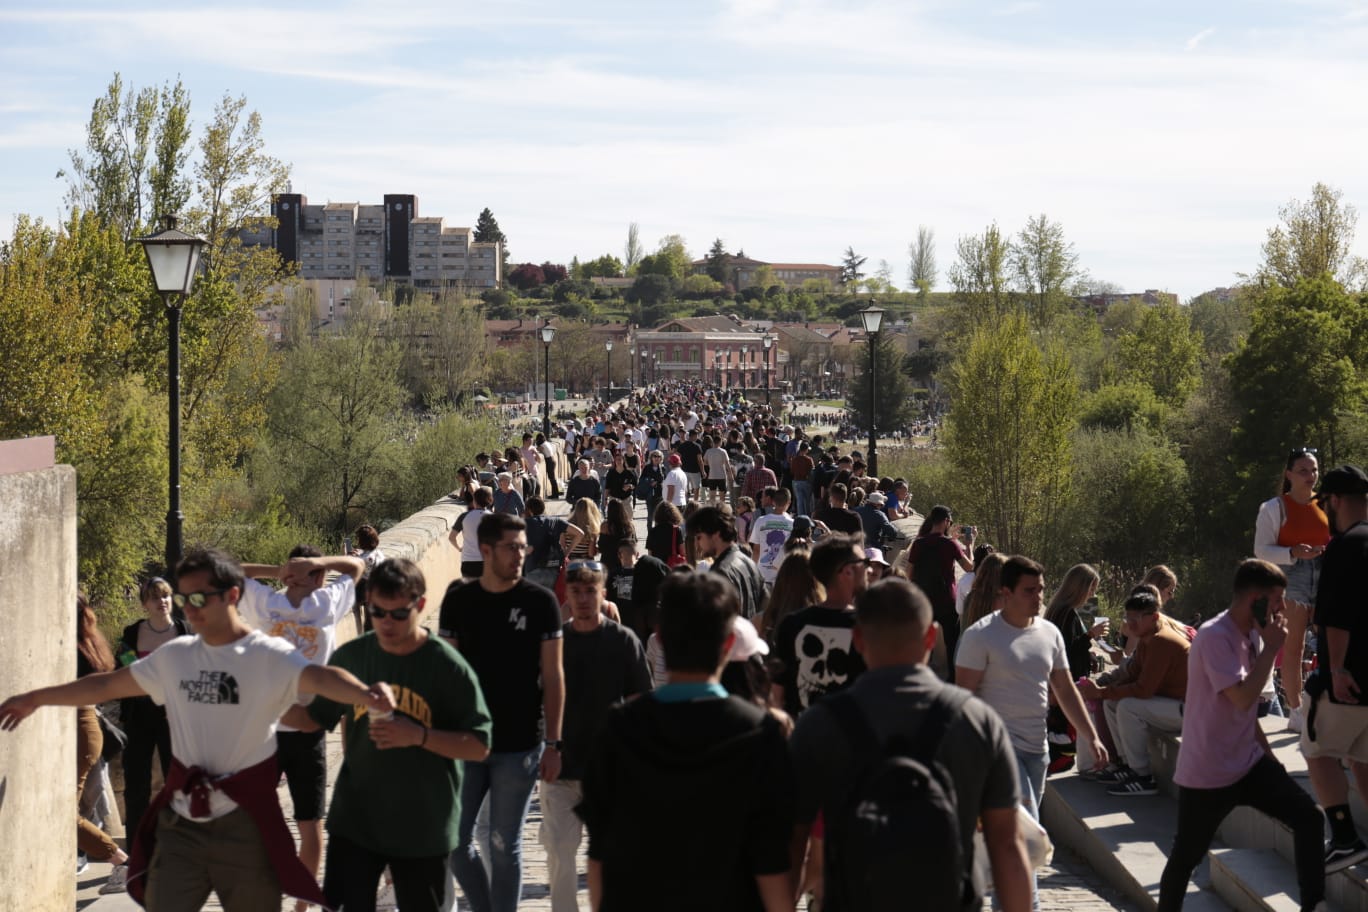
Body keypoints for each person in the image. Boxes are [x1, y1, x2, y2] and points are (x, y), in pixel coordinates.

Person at [0, 549, 396, 912]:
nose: (191, 610)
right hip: (182, 821)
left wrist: (367, 693)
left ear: (232, 596)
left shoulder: (264, 655)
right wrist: (35, 697)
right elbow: (105, 685)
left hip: (246, 825)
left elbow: (322, 677)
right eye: (185, 599)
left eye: (200, 598)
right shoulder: (175, 657)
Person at [790, 578, 1031, 912]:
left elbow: (790, 843)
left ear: (858, 640)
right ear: (931, 636)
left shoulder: (818, 724)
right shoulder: (978, 721)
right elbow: (1006, 844)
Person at [576, 572, 795, 911]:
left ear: (659, 639)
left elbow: (599, 856)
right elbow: (771, 862)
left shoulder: (619, 728)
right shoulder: (760, 734)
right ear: (727, 644)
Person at [285, 558, 493, 912]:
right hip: (356, 819)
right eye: (378, 612)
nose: (386, 623)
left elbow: (478, 745)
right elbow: (312, 719)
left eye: (399, 614)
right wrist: (259, 697)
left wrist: (418, 735)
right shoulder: (352, 657)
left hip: (424, 823)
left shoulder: (446, 666)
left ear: (421, 605)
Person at [1157, 559, 1326, 911]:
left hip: (1247, 764)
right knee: (1186, 857)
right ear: (1256, 598)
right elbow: (1243, 697)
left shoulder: (1251, 633)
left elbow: (1246, 716)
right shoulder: (1215, 636)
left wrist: (1271, 762)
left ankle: (1315, 905)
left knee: (1309, 817)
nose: (1282, 608)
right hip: (1207, 773)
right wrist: (1272, 648)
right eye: (1277, 599)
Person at [955, 555, 1107, 910]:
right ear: (1005, 592)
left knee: (1013, 840)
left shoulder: (1049, 633)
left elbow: (1065, 690)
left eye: (1040, 589)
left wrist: (1091, 735)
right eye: (1029, 591)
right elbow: (962, 700)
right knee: (1028, 838)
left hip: (1036, 751)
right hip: (997, 753)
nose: (1038, 597)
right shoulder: (981, 637)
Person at [438, 513, 565, 912]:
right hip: (468, 741)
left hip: (520, 743)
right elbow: (448, 675)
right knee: (455, 841)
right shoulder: (459, 600)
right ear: (487, 550)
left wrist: (554, 743)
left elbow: (553, 676)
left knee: (503, 843)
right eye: (512, 548)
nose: (520, 555)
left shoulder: (539, 601)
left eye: (523, 547)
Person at [238, 545, 365, 907]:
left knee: (309, 824)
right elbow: (230, 572)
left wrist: (306, 566)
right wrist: (283, 569)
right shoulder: (272, 601)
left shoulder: (323, 602)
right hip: (271, 730)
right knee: (264, 821)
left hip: (305, 728)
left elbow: (357, 565)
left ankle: (302, 901)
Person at [539, 560, 651, 912]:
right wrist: (546, 748)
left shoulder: (623, 641)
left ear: (603, 594)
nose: (584, 599)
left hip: (609, 770)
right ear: (567, 597)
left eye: (591, 591)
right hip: (561, 766)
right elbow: (536, 700)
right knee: (559, 854)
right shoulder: (554, 643)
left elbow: (639, 704)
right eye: (577, 592)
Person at [1299, 464, 1368, 872]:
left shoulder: (1345, 546)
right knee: (1362, 756)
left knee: (1318, 750)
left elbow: (1337, 617)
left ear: (1336, 501)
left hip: (1351, 677)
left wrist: (1337, 669)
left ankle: (1343, 837)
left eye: (1325, 503)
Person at [1078, 586, 1189, 796]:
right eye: (1128, 618)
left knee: (1128, 706)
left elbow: (1143, 690)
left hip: (1189, 710)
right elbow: (1131, 674)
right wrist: (1102, 690)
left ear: (1154, 616)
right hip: (1171, 705)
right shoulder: (1148, 639)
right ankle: (1127, 766)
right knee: (1113, 703)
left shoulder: (1162, 641)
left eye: (1136, 618)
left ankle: (1143, 776)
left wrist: (1101, 692)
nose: (1130, 624)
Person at [1255, 447, 1331, 723]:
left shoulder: (1326, 503)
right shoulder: (1274, 508)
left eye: (1314, 470)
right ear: (1289, 474)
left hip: (1325, 573)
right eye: (1303, 471)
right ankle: (1297, 710)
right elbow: (1261, 549)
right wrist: (1292, 553)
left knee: (1330, 644)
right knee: (1294, 646)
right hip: (1290, 575)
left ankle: (1326, 707)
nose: (1310, 476)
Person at [116, 578, 191, 843]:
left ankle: (179, 840)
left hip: (175, 718)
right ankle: (136, 846)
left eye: (166, 596)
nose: (162, 602)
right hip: (140, 716)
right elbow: (126, 669)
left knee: (178, 782)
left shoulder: (185, 632)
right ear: (145, 604)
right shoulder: (132, 634)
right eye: (155, 597)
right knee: (137, 784)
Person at [73, 594, 134, 893]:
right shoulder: (86, 643)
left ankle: (122, 862)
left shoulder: (72, 649)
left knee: (67, 814)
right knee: (76, 811)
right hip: (84, 730)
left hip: (80, 730)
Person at [773, 534, 870, 717]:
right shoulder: (869, 627)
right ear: (847, 571)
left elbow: (778, 694)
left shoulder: (791, 624)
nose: (869, 569)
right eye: (864, 563)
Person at [909, 505, 976, 681]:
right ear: (946, 521)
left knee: (924, 641)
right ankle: (954, 680)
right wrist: (970, 544)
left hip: (924, 600)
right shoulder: (950, 544)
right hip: (946, 601)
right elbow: (970, 568)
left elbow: (909, 573)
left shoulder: (919, 543)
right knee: (952, 643)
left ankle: (922, 677)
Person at [691, 505, 766, 621]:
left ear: (715, 534)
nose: (697, 544)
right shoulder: (748, 562)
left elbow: (718, 622)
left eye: (699, 537)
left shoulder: (721, 571)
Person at [748, 486, 795, 588]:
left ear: (773, 502)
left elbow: (756, 549)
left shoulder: (760, 520)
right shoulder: (792, 524)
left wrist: (752, 571)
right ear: (789, 502)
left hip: (762, 573)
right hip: (784, 574)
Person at [449, 486, 494, 579]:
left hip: (468, 561)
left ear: (474, 500)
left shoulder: (464, 516)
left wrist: (459, 548)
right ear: (489, 500)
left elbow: (452, 537)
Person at [638, 449, 666, 533]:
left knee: (659, 515)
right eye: (655, 456)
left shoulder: (663, 468)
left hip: (659, 494)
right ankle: (650, 532)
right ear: (651, 457)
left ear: (661, 458)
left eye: (659, 456)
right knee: (650, 514)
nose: (657, 458)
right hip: (649, 494)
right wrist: (650, 482)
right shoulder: (647, 467)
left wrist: (657, 482)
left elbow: (664, 479)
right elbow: (642, 479)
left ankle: (657, 531)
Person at [702, 434, 734, 507]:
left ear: (713, 442)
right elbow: (727, 464)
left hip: (712, 475)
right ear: (720, 442)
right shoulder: (723, 451)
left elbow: (705, 462)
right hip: (721, 476)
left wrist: (711, 463)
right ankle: (722, 510)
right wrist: (730, 474)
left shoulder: (708, 451)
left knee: (712, 496)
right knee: (722, 496)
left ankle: (712, 510)